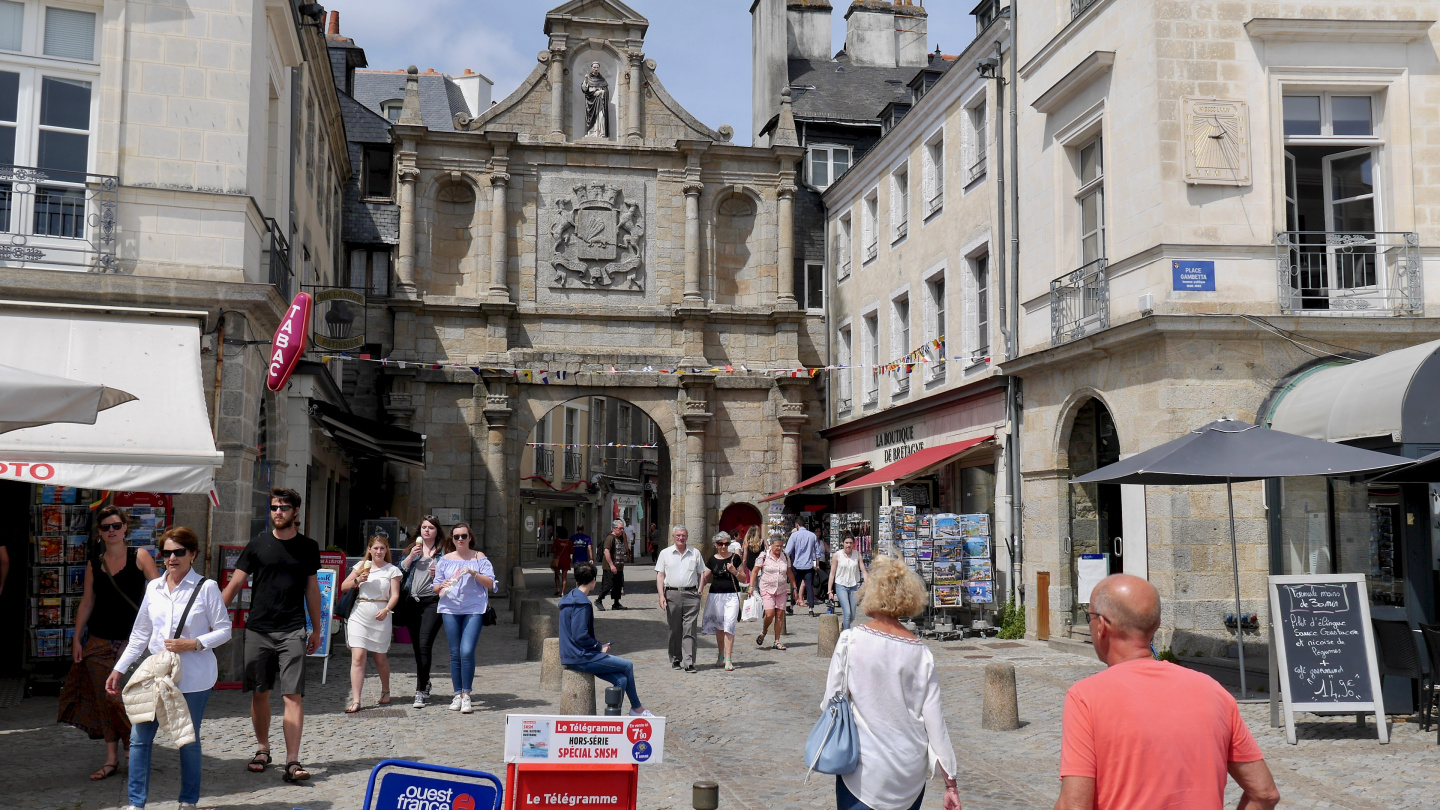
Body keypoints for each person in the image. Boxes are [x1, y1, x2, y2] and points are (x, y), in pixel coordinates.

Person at [1054, 574, 1280, 810]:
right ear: (1156, 625)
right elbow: (1265, 794)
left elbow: (1074, 805)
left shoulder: (1086, 697)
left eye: (1089, 616)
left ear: (1101, 626)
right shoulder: (1213, 691)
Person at [823, 555, 961, 810]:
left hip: (864, 771)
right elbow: (935, 723)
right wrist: (950, 782)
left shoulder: (850, 641)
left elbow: (830, 703)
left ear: (871, 592)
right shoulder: (921, 654)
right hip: (909, 775)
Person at [107, 527, 230, 810]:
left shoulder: (206, 588)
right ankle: (136, 803)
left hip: (194, 676)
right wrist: (119, 669)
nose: (172, 558)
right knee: (139, 738)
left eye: (179, 552)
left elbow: (224, 630)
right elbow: (140, 635)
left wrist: (194, 643)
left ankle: (188, 801)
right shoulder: (154, 588)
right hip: (155, 674)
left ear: (193, 554)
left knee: (187, 739)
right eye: (167, 552)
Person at [220, 487, 322, 783]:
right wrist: (211, 618)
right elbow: (235, 584)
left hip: (292, 629)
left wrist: (317, 629)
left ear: (296, 512)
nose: (278, 512)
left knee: (292, 695)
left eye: (284, 508)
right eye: (274, 507)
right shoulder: (257, 544)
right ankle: (263, 749)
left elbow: (312, 589)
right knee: (260, 692)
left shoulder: (308, 547)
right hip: (259, 630)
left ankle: (292, 760)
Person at [59, 505, 159, 781]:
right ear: (100, 532)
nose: (112, 531)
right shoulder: (95, 563)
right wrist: (77, 638)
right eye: (106, 527)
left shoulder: (140, 556)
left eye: (116, 525)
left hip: (132, 641)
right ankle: (112, 759)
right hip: (99, 641)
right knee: (105, 701)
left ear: (126, 528)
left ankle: (133, 750)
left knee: (125, 700)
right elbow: (88, 601)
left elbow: (160, 593)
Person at [559, 563, 653, 716]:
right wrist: (598, 647)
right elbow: (580, 635)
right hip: (581, 656)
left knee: (621, 680)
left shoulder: (569, 598)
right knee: (627, 666)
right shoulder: (582, 604)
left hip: (571, 654)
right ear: (594, 581)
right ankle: (637, 708)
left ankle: (612, 720)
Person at [433, 521, 495, 714]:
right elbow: (435, 588)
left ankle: (466, 694)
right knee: (454, 653)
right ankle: (457, 693)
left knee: (466, 651)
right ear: (452, 539)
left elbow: (491, 584)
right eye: (456, 536)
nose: (460, 539)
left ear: (470, 538)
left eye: (464, 536)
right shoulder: (445, 560)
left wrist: (474, 572)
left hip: (474, 608)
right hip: (450, 608)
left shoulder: (479, 558)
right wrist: (442, 584)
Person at [340, 532, 401, 713]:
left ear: (386, 550)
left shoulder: (392, 570)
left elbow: (395, 594)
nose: (379, 551)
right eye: (376, 548)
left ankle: (385, 690)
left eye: (382, 548)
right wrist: (357, 580)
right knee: (358, 657)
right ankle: (357, 700)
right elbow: (343, 586)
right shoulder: (361, 566)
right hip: (359, 613)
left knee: (379, 657)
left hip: (381, 613)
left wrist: (387, 609)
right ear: (370, 550)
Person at [400, 516, 444, 708]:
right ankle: (425, 681)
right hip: (412, 602)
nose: (426, 531)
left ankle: (419, 691)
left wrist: (440, 573)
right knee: (418, 647)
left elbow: (453, 576)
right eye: (424, 527)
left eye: (431, 528)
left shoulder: (443, 553)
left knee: (425, 644)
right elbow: (398, 572)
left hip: (433, 603)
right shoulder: (412, 550)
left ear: (437, 531)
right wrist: (410, 558)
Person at [654, 525, 706, 672]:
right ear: (673, 537)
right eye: (678, 535)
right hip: (672, 594)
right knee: (675, 629)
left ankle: (689, 662)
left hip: (691, 595)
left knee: (690, 629)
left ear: (687, 536)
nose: (681, 538)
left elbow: (702, 573)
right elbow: (660, 575)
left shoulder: (695, 553)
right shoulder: (665, 553)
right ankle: (676, 658)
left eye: (683, 535)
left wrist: (700, 589)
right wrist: (661, 595)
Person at [700, 532, 747, 671]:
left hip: (732, 595)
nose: (724, 547)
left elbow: (744, 579)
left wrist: (735, 572)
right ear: (716, 545)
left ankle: (728, 658)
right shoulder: (712, 560)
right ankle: (720, 654)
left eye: (726, 543)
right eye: (721, 544)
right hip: (716, 596)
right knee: (719, 627)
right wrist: (698, 589)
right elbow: (705, 576)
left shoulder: (735, 558)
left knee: (729, 626)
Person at [752, 535, 797, 650]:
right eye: (777, 546)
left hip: (781, 589)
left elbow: (790, 573)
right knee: (770, 613)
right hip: (767, 588)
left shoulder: (785, 556)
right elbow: (755, 571)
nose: (779, 548)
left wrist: (794, 588)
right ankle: (764, 631)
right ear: (771, 545)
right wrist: (751, 586)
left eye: (781, 546)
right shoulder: (763, 556)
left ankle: (777, 641)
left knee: (780, 615)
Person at [827, 534, 868, 630]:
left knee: (852, 615)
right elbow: (832, 574)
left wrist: (868, 585)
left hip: (853, 586)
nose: (848, 545)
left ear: (853, 544)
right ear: (842, 543)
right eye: (846, 543)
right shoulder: (837, 555)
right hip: (841, 585)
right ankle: (846, 635)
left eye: (850, 543)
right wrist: (830, 591)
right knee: (847, 612)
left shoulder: (857, 555)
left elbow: (864, 571)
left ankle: (843, 626)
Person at [786, 517, 822, 616]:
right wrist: (817, 564)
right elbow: (817, 553)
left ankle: (792, 606)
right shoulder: (812, 536)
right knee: (809, 587)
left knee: (795, 586)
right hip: (808, 565)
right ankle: (811, 609)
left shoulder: (794, 536)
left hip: (797, 565)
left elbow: (787, 551)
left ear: (797, 525)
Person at [594, 519, 628, 611]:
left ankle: (616, 603)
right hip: (610, 567)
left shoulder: (618, 538)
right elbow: (606, 551)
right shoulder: (610, 538)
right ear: (615, 528)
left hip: (619, 567)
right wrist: (611, 565)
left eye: (623, 528)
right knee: (608, 585)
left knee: (618, 585)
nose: (622, 530)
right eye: (620, 528)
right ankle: (599, 600)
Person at [551, 524, 573, 596]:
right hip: (566, 559)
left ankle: (558, 588)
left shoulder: (557, 541)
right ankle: (563, 592)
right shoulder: (569, 541)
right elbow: (572, 551)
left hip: (558, 560)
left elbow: (552, 550)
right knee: (564, 576)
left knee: (557, 575)